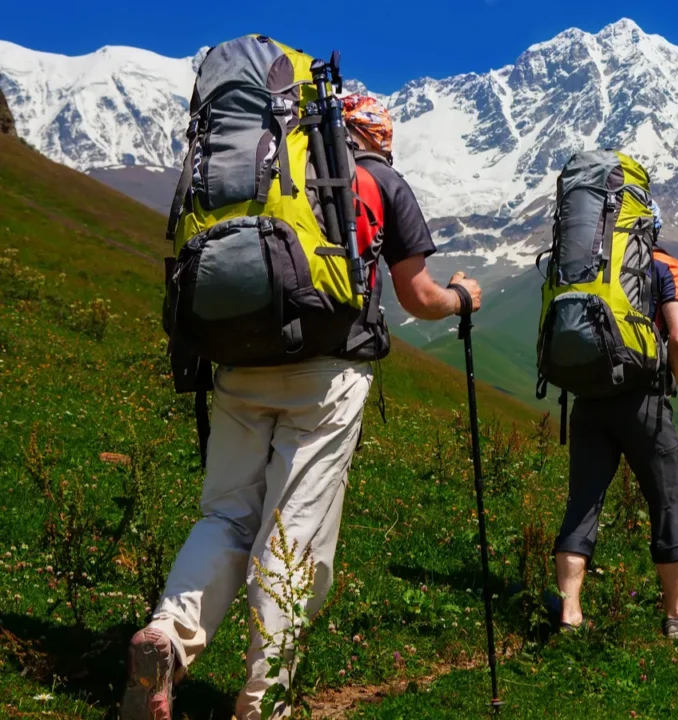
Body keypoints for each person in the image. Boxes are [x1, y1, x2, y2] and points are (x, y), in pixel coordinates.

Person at [122, 95, 481, 720]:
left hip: (239, 364)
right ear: (380, 137)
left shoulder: (266, 172)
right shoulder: (378, 179)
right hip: (325, 374)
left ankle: (167, 635)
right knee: (294, 534)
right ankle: (265, 702)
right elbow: (418, 295)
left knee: (227, 516)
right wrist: (459, 298)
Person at [552, 199, 678, 640]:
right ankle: (677, 617)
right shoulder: (664, 268)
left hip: (590, 395)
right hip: (643, 399)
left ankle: (570, 614)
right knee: (666, 504)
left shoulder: (590, 266)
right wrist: (670, 383)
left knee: (582, 504)